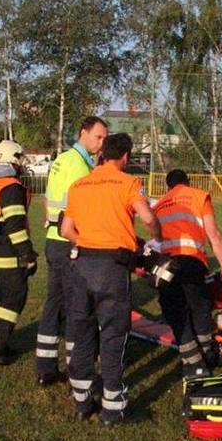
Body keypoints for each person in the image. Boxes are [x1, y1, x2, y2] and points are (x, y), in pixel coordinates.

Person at [61, 133, 162, 424]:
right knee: (113, 335)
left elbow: (67, 229)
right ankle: (112, 407)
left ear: (103, 153)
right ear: (126, 157)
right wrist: (156, 238)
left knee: (82, 333)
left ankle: (81, 402)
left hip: (82, 265)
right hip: (112, 268)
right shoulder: (128, 182)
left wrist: (88, 242)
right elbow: (146, 217)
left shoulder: (79, 185)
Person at [37, 116, 108, 386]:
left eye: (104, 139)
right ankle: (76, 366)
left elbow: (47, 198)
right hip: (69, 242)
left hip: (53, 240)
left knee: (53, 304)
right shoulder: (80, 167)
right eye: (98, 137)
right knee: (78, 307)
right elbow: (84, 210)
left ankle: (45, 366)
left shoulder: (61, 159)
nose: (101, 144)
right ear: (83, 133)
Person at [153, 169, 222, 379]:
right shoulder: (198, 196)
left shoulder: (159, 204)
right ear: (187, 182)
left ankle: (193, 362)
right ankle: (208, 352)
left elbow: (156, 241)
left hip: (167, 266)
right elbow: (214, 236)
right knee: (199, 308)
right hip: (192, 262)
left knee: (176, 313)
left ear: (168, 186)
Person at [0, 140, 38, 365]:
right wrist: (27, 254)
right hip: (6, 253)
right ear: (14, 160)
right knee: (14, 296)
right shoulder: (11, 186)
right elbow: (15, 225)